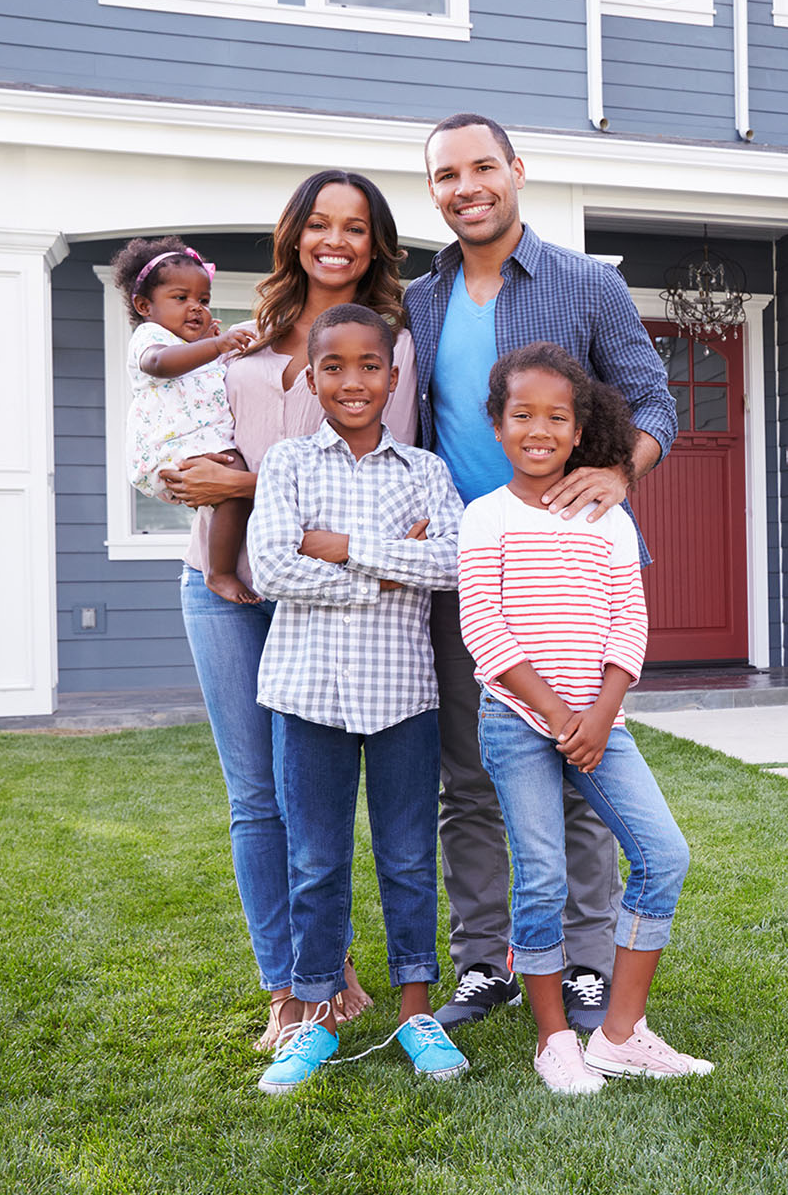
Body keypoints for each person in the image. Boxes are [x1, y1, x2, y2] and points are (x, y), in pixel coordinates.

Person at [406, 112, 679, 1033]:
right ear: (434, 191)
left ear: (517, 171)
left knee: (583, 771)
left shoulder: (584, 283)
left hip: (576, 569)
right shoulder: (419, 299)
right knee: (472, 776)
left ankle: (590, 964)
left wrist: (620, 468)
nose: (466, 186)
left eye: (483, 166)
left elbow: (653, 400)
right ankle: (486, 963)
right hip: (471, 570)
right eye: (447, 175)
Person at [160, 170, 416, 1050]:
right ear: (294, 234)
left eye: (354, 226)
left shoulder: (393, 345)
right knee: (255, 798)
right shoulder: (242, 336)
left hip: (326, 600)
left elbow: (379, 481)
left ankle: (326, 962)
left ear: (375, 242)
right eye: (318, 223)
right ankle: (292, 984)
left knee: (321, 798)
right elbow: (190, 446)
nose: (334, 240)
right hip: (222, 587)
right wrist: (189, 476)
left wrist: (239, 480)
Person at [458, 342, 709, 1093]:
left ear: (579, 429)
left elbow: (628, 624)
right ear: (497, 426)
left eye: (557, 417)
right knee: (541, 877)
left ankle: (620, 1035)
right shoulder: (484, 518)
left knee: (663, 857)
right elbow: (485, 631)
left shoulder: (610, 519)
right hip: (517, 720)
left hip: (602, 722)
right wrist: (560, 714)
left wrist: (601, 715)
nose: (539, 429)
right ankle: (553, 1039)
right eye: (522, 414)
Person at [248, 303, 467, 1095]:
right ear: (312, 378)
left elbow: (449, 564)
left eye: (369, 366)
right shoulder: (287, 465)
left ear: (393, 375)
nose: (352, 381)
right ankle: (312, 1016)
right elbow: (271, 568)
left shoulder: (426, 474)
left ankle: (417, 1012)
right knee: (315, 859)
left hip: (403, 694)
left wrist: (339, 550)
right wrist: (385, 567)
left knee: (410, 857)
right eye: (333, 367)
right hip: (307, 695)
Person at [112, 236, 258, 605]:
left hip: (200, 442)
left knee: (231, 487)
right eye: (181, 299)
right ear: (145, 306)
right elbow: (160, 364)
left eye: (203, 301)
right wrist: (215, 344)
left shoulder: (197, 347)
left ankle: (222, 566)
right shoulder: (150, 337)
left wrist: (209, 346)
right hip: (171, 446)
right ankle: (219, 572)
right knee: (232, 486)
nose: (195, 308)